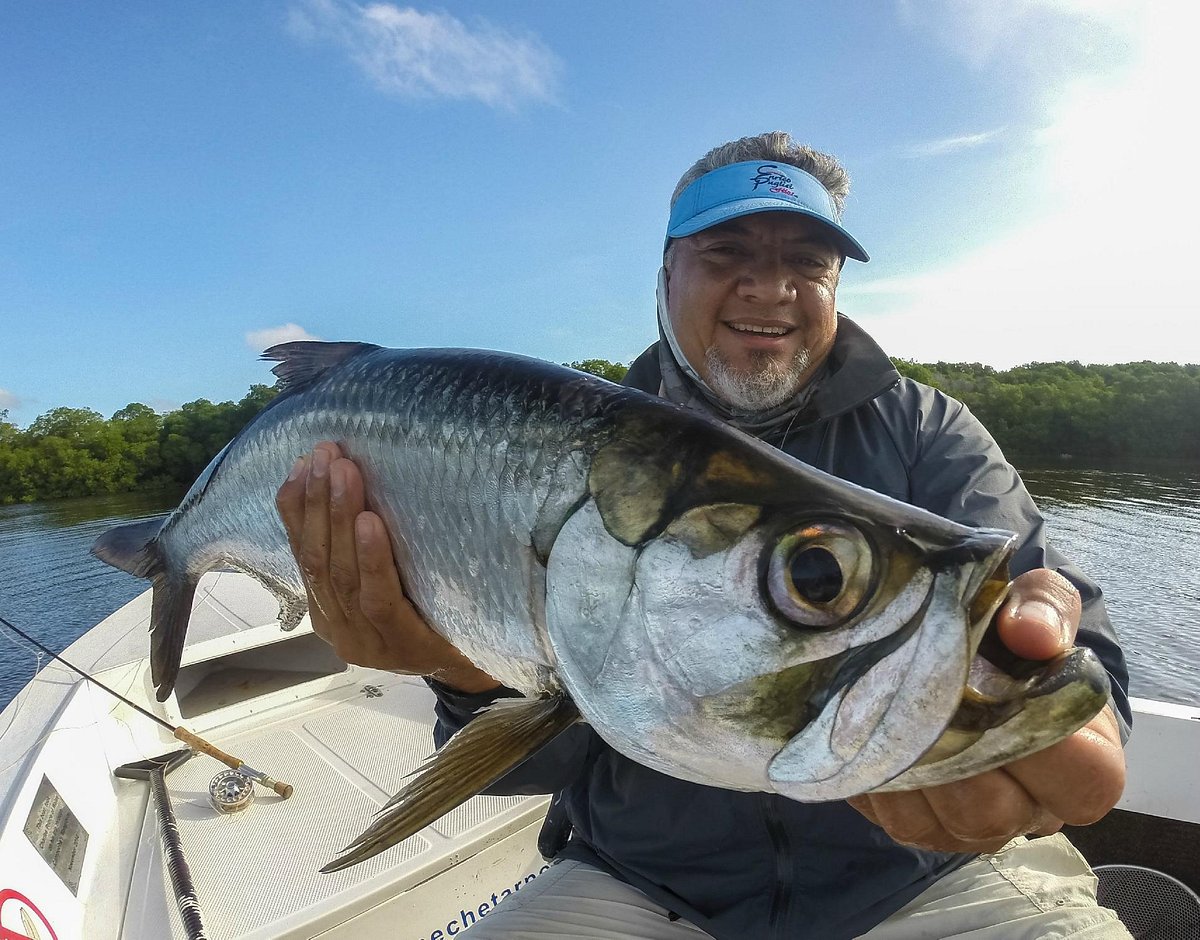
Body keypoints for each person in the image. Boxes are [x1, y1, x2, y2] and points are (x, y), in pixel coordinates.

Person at [276, 132, 1132, 939]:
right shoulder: (557, 450)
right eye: (728, 255)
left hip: (931, 876)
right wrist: (458, 669)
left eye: (808, 261)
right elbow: (531, 767)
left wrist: (1077, 699)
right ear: (666, 272)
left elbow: (1048, 613)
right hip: (642, 883)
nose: (771, 288)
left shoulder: (926, 429)